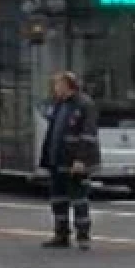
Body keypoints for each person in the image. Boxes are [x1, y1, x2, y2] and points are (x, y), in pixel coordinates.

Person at [39, 71, 101, 250]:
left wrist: (81, 159)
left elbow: (88, 134)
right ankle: (61, 234)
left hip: (74, 161)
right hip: (58, 160)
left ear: (67, 85)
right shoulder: (60, 104)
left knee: (79, 199)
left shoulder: (84, 105)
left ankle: (83, 236)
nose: (55, 88)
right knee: (58, 199)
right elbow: (53, 133)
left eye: (57, 84)